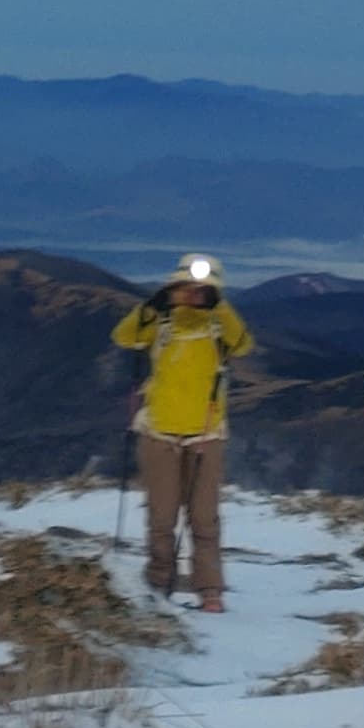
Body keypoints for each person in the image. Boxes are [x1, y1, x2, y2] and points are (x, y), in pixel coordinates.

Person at [111, 252, 252, 611]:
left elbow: (243, 343)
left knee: (203, 517)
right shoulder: (160, 323)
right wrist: (152, 305)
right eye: (186, 287)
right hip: (160, 431)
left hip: (205, 433)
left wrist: (219, 307)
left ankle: (209, 590)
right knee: (161, 517)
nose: (193, 294)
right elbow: (124, 336)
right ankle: (160, 582)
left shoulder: (219, 326)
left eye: (202, 289)